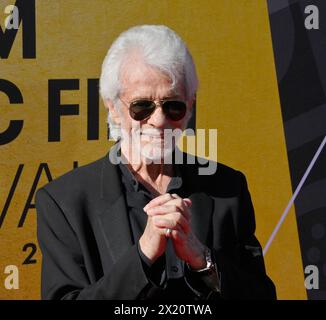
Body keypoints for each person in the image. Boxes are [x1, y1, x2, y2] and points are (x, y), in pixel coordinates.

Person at [35, 25, 276, 300]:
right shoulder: (65, 203)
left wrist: (204, 260)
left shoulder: (227, 190)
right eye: (142, 106)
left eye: (173, 105)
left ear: (190, 106)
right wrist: (143, 255)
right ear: (113, 108)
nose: (159, 120)